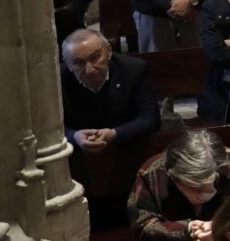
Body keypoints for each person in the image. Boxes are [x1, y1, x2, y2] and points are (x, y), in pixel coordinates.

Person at [59, 27, 158, 163]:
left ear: (109, 52)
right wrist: (74, 136)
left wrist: (114, 134)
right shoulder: (57, 80)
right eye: (78, 63)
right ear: (68, 64)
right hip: (76, 157)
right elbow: (47, 127)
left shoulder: (134, 70)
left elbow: (150, 118)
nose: (90, 70)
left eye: (95, 58)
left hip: (127, 151)